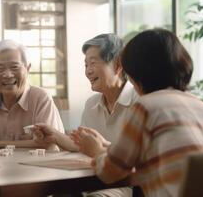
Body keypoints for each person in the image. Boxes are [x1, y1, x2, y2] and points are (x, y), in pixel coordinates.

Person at [35, 29, 203, 197]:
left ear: (134, 73)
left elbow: (110, 172)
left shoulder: (146, 106)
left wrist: (96, 151)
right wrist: (104, 147)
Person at [36, 34, 138, 197]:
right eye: (86, 65)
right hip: (90, 180)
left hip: (124, 184)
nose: (88, 71)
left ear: (118, 65)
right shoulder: (91, 104)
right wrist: (54, 136)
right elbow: (82, 145)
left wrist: (99, 148)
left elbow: (136, 158)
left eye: (93, 63)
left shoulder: (139, 102)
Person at [0, 40, 65, 148]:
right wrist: (28, 144)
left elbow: (48, 145)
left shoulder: (41, 98)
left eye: (14, 67)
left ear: (27, 69)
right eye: (0, 69)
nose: (8, 75)